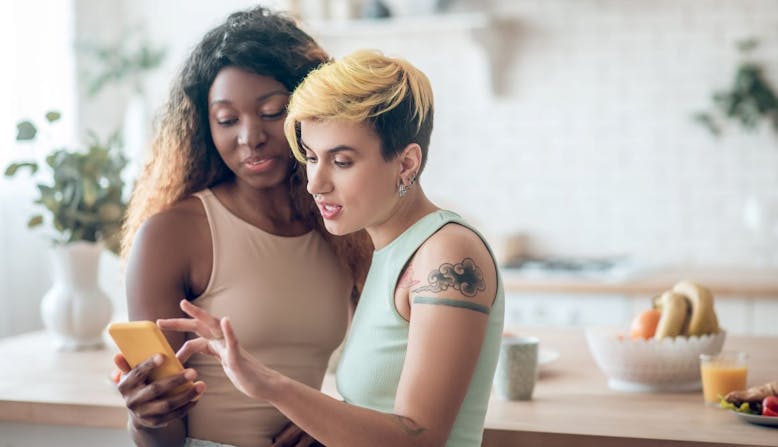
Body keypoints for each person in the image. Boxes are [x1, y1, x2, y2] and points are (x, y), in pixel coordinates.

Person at [159, 49, 505, 447]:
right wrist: (323, 419)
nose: (315, 183)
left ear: (406, 164)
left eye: (341, 161)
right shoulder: (389, 250)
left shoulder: (445, 254)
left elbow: (419, 440)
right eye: (310, 157)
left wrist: (268, 384)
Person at [113, 7, 370, 447]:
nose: (250, 137)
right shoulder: (173, 234)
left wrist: (332, 418)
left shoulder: (342, 229)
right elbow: (163, 437)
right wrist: (147, 418)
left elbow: (389, 368)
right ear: (203, 126)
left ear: (314, 113)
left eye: (273, 112)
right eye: (227, 120)